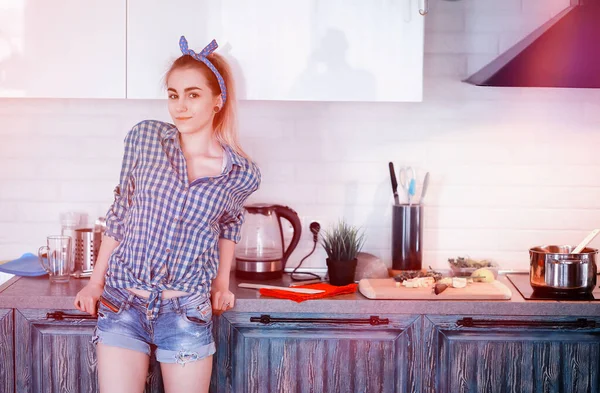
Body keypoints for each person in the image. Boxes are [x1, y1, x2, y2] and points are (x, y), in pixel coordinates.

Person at [74, 36, 260, 393]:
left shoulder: (241, 172)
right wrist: (96, 282)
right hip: (123, 302)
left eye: (193, 94)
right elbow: (120, 213)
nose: (180, 106)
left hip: (186, 311)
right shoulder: (144, 138)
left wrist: (221, 283)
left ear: (217, 100)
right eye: (173, 95)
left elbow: (230, 223)